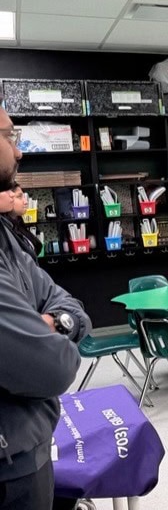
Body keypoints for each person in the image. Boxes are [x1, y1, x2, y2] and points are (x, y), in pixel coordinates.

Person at [0, 105, 92, 510]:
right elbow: (52, 367)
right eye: (9, 137)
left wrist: (55, 321)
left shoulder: (6, 237)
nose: (19, 151)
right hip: (9, 465)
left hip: (27, 447)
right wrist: (53, 332)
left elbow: (68, 303)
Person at [1, 183, 42, 259]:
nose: (25, 202)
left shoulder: (19, 223)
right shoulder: (4, 229)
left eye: (24, 197)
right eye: (19, 197)